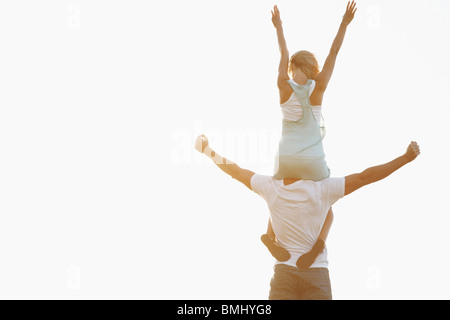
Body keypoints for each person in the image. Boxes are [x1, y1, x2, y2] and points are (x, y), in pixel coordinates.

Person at [194, 134, 420, 300]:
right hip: (309, 273)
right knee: (321, 212)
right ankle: (271, 238)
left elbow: (235, 171)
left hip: (293, 271)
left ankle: (270, 238)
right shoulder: (320, 188)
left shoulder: (275, 186)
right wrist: (404, 158)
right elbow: (365, 177)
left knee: (316, 212)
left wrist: (207, 150)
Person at [262, 2, 358, 269]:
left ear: (293, 68)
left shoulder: (283, 85)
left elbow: (283, 52)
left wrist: (279, 26)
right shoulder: (319, 87)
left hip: (286, 160)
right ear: (312, 67)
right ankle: (318, 245)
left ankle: (271, 237)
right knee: (328, 203)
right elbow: (334, 52)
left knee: (277, 194)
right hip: (312, 163)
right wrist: (344, 23)